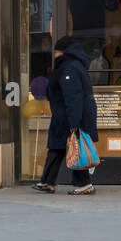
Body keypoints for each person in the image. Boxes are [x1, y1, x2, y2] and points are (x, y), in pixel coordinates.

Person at [33, 36, 99, 196]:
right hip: (65, 115)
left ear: (62, 51)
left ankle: (83, 184)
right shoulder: (71, 66)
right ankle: (47, 182)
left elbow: (73, 96)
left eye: (56, 51)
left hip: (69, 116)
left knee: (73, 148)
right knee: (58, 148)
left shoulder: (70, 68)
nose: (54, 54)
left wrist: (74, 123)